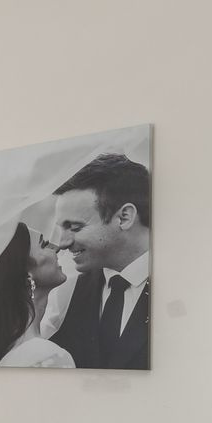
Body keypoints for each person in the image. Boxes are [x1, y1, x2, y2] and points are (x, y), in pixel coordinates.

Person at [47, 152, 150, 370]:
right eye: (61, 228)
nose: (62, 243)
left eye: (75, 227)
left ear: (124, 217)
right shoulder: (66, 292)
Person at [0, 221, 74, 368]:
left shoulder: (8, 348)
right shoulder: (46, 356)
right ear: (26, 272)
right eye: (43, 245)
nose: (57, 248)